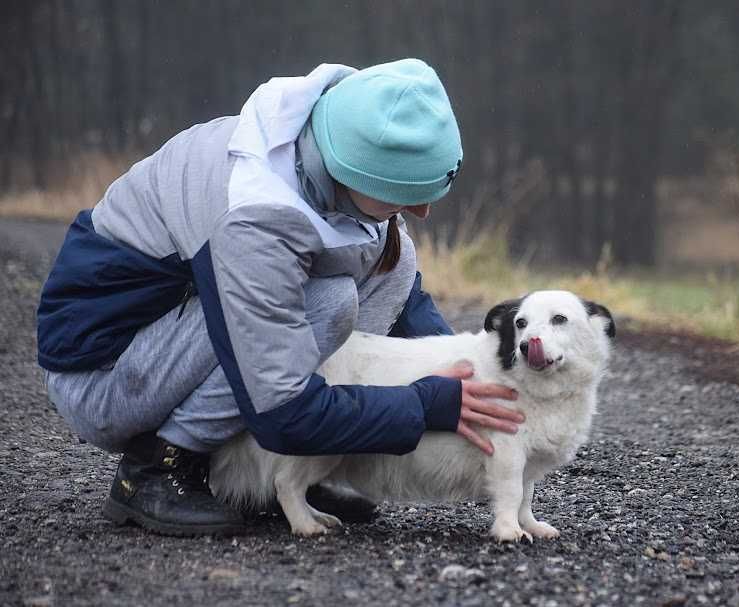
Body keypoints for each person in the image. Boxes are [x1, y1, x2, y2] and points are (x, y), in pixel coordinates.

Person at [36, 58, 524, 536]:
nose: (421, 210)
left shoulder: (330, 150)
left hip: (172, 340)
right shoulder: (252, 211)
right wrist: (420, 407)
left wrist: (471, 386)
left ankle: (296, 470)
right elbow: (284, 410)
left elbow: (405, 306)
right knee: (329, 304)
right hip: (103, 374)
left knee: (393, 263)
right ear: (358, 170)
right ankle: (159, 466)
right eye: (403, 192)